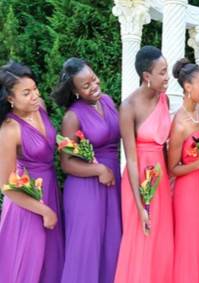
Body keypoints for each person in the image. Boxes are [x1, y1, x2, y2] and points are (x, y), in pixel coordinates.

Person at [52, 58, 121, 283]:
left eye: (93, 78)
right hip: (85, 190)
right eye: (86, 85)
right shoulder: (72, 117)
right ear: (75, 91)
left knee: (112, 245)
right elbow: (66, 163)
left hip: (112, 185)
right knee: (86, 251)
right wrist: (98, 169)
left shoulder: (109, 102)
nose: (94, 85)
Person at [0, 61, 64, 282]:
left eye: (35, 88)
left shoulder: (41, 107)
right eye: (26, 93)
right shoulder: (9, 130)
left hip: (51, 193)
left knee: (50, 264)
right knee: (28, 266)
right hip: (27, 205)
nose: (35, 95)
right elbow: (6, 187)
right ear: (10, 99)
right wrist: (43, 211)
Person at [114, 46, 174, 282]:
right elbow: (130, 158)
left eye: (167, 70)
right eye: (162, 72)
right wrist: (139, 206)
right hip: (137, 179)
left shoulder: (165, 100)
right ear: (146, 76)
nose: (167, 76)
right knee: (141, 237)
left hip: (159, 179)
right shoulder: (128, 107)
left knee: (161, 237)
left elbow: (166, 146)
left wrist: (171, 177)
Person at [168, 58, 199, 283]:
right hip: (187, 191)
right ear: (188, 87)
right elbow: (172, 168)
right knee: (189, 242)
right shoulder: (178, 124)